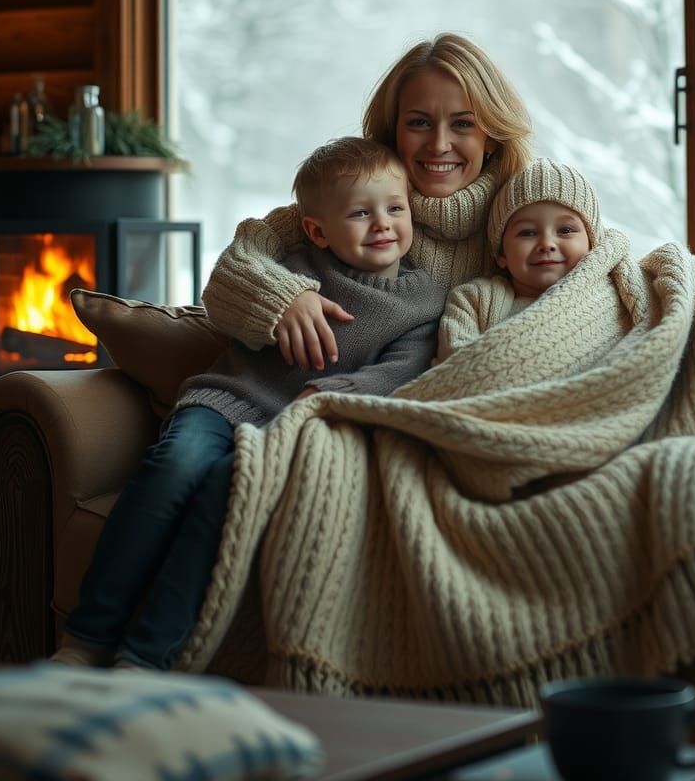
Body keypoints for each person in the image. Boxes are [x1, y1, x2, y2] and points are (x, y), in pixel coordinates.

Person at [52, 137, 447, 671]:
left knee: (224, 496)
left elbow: (402, 368)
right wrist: (280, 297)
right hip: (226, 400)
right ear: (317, 230)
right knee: (175, 466)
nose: (382, 224)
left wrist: (334, 393)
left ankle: (145, 657)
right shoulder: (290, 268)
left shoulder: (421, 300)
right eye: (360, 213)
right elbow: (235, 284)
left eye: (395, 209)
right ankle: (87, 637)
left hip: (293, 428)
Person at [201, 33, 534, 372]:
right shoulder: (350, 204)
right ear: (394, 131)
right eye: (419, 123)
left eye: (462, 124)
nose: (438, 144)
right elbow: (234, 268)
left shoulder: (527, 212)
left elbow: (586, 284)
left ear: (491, 136)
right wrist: (284, 299)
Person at [435, 158, 602, 362]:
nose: (547, 243)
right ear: (501, 254)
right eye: (528, 233)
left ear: (592, 243)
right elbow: (452, 366)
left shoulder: (608, 295)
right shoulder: (474, 300)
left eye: (565, 230)